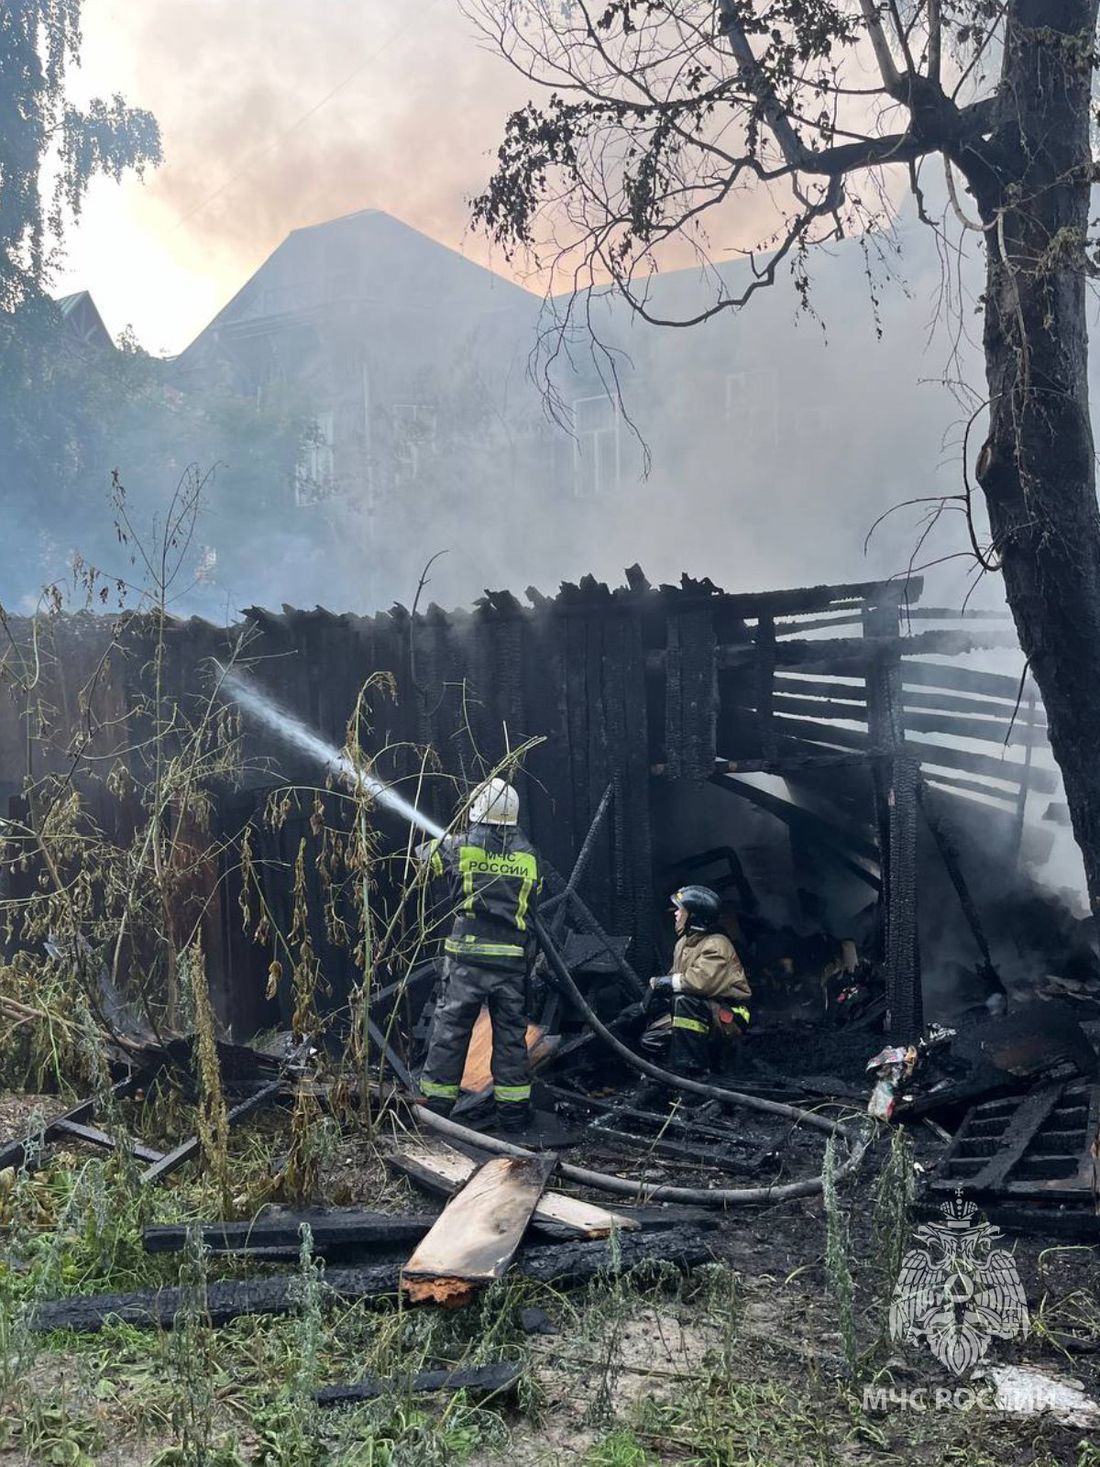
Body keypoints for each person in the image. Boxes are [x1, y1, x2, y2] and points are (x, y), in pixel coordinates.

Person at [417, 776, 541, 1133]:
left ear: (477, 809)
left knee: (451, 1032)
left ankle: (437, 1111)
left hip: (467, 961)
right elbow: (531, 905)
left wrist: (435, 845)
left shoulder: (460, 847)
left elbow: (425, 859)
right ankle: (514, 1116)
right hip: (511, 963)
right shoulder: (529, 856)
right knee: (510, 1037)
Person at [642, 884, 751, 1078]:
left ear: (693, 916)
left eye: (680, 910)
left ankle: (692, 1072)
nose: (675, 914)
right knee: (652, 1039)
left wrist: (662, 983)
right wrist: (642, 1007)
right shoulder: (683, 944)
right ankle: (665, 1074)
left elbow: (699, 982)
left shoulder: (716, 944)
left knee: (683, 1001)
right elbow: (677, 980)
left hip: (729, 1015)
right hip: (705, 1011)